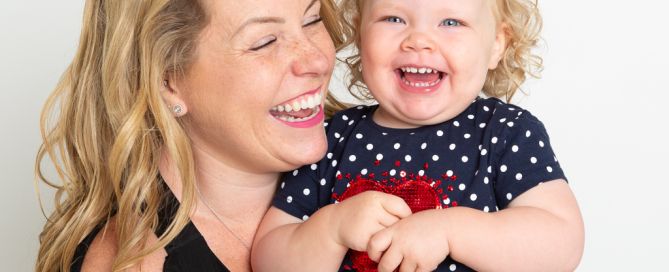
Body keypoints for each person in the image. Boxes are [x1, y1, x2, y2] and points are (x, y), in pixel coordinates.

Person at [252, 0, 585, 271]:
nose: (419, 40)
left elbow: (560, 242)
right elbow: (268, 258)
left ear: (497, 44)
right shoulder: (331, 138)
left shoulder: (505, 132)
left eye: (451, 22)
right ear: (359, 32)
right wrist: (330, 229)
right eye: (394, 18)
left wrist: (451, 231)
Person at [34, 0, 347, 271]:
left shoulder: (371, 158)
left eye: (312, 19)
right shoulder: (135, 262)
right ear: (167, 82)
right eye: (264, 42)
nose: (317, 60)